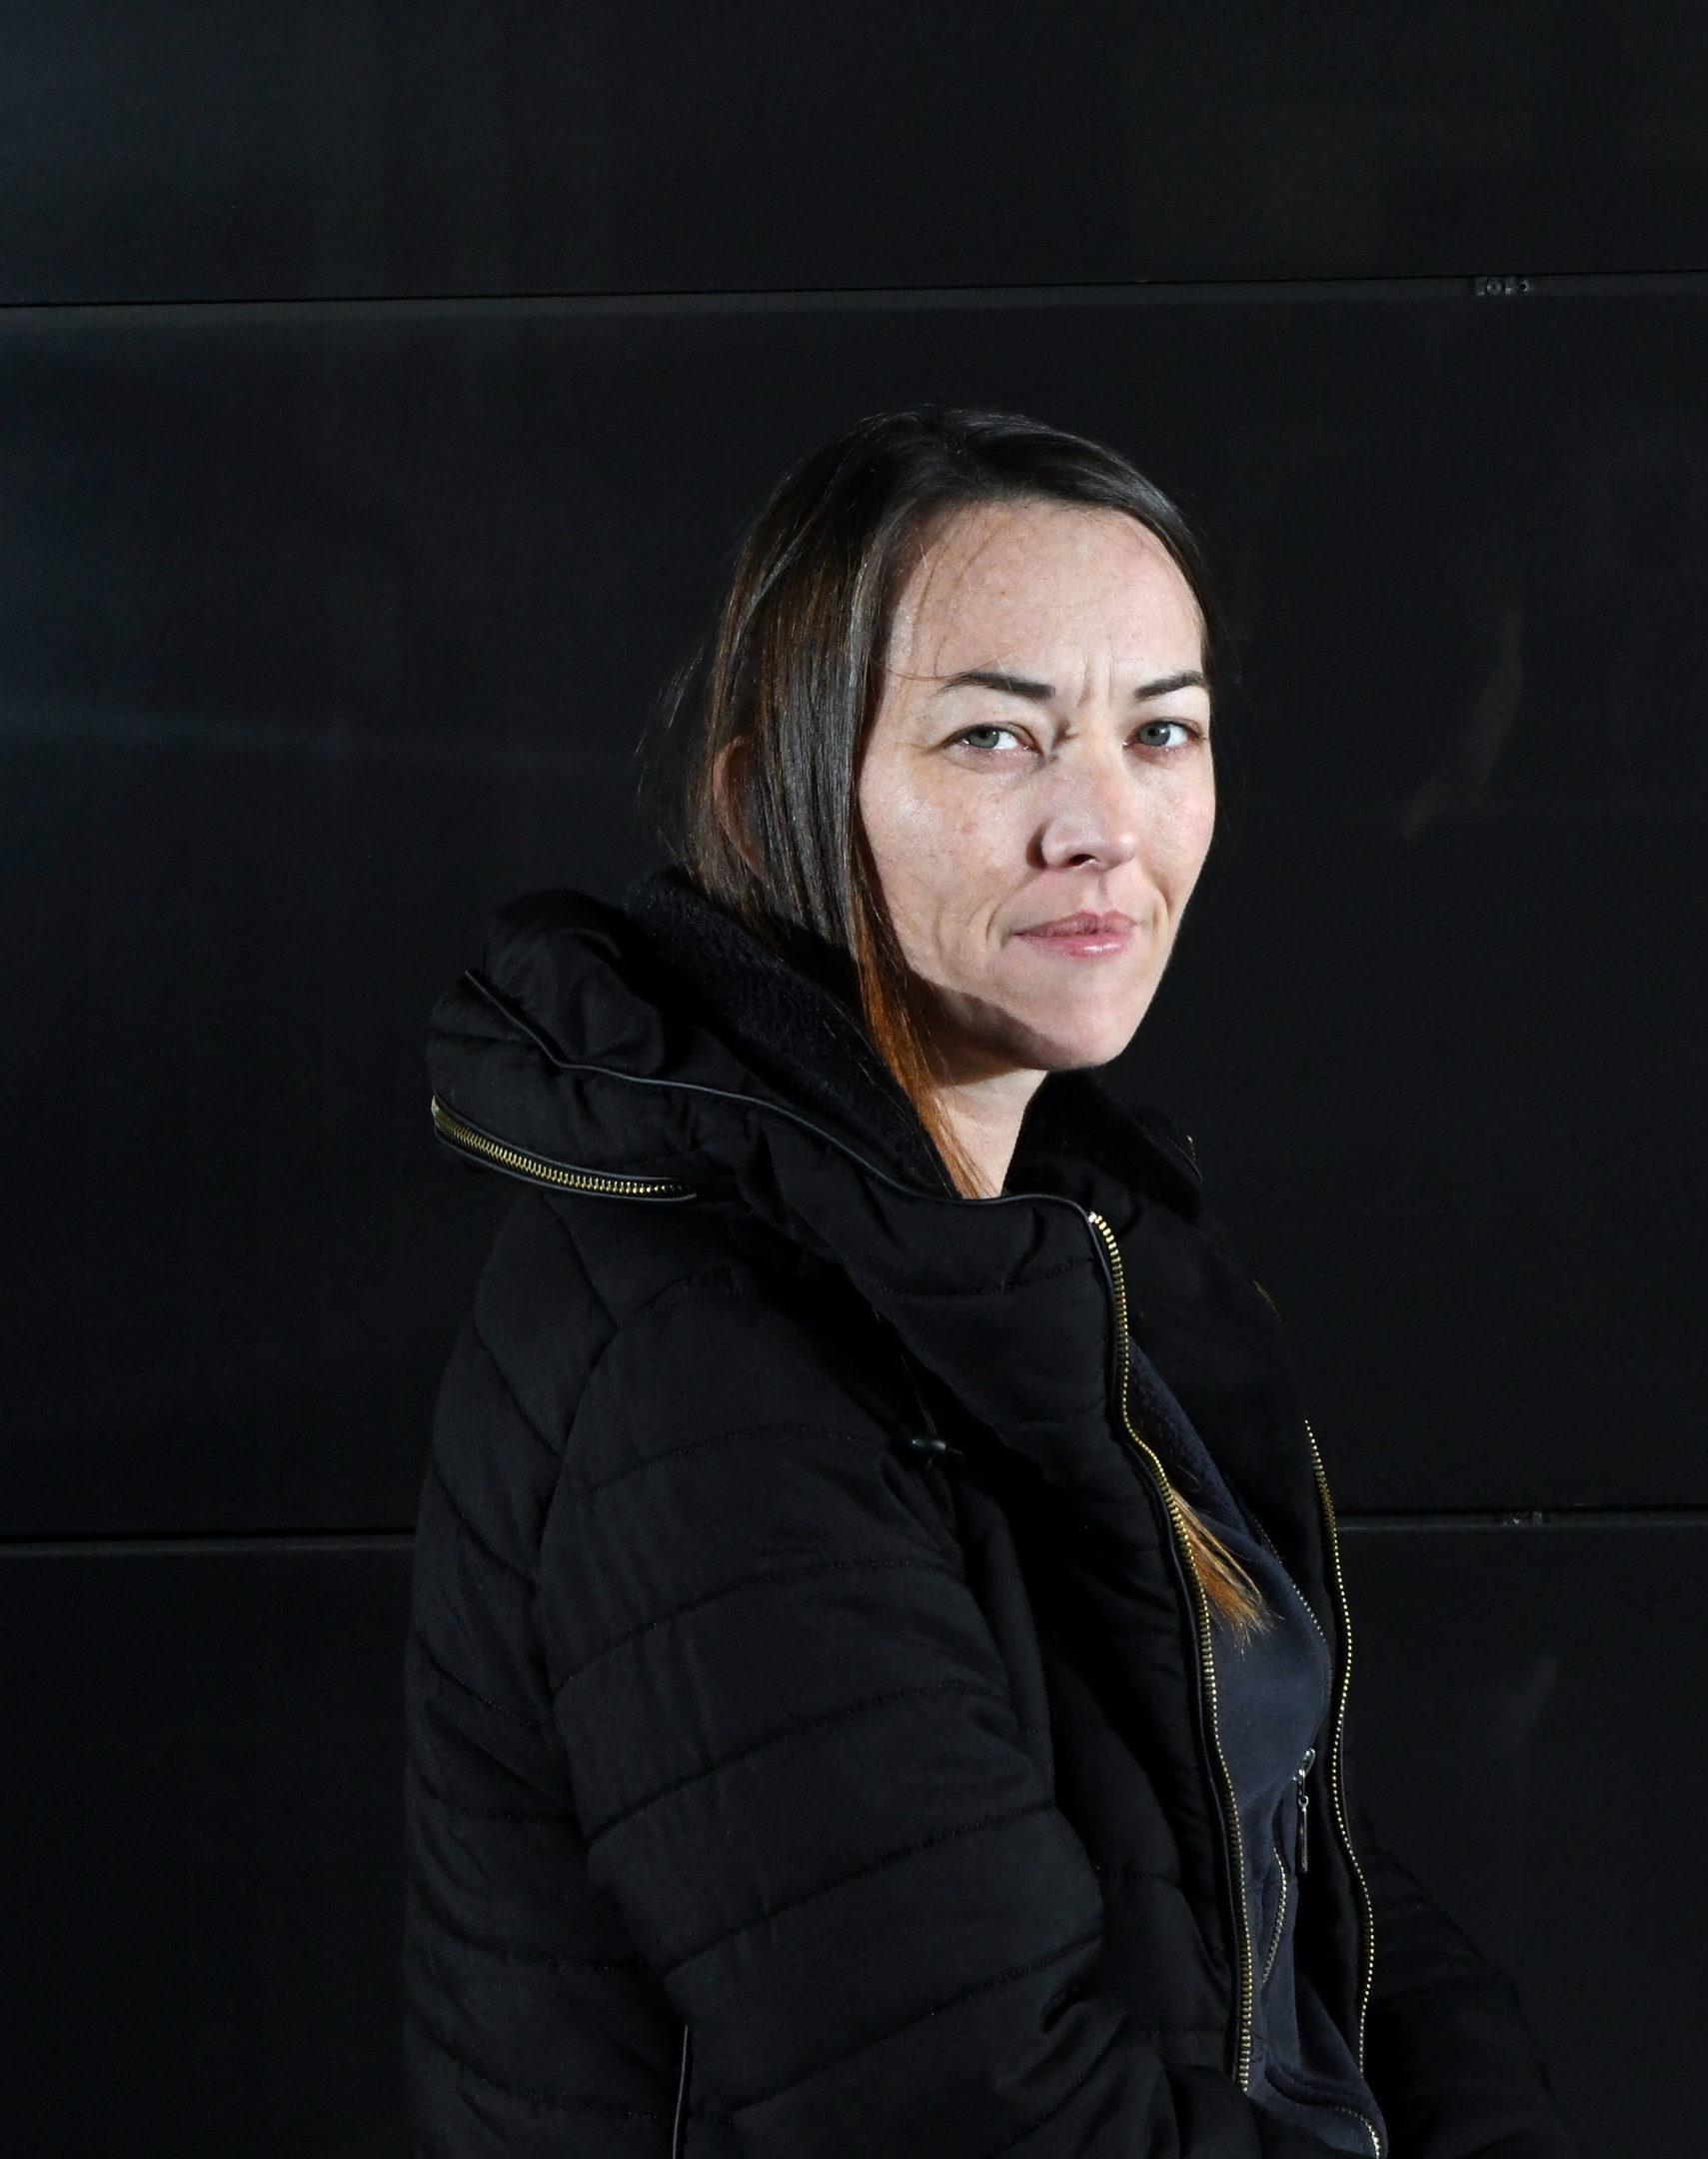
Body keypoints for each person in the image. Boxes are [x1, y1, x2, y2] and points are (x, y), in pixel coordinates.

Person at [407, 408, 1578, 2159]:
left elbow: (1303, 1871)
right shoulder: (703, 1351)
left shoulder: (1049, 1236)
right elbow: (980, 2112)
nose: (1102, 824)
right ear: (765, 797)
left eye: (1159, 730)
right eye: (993, 739)